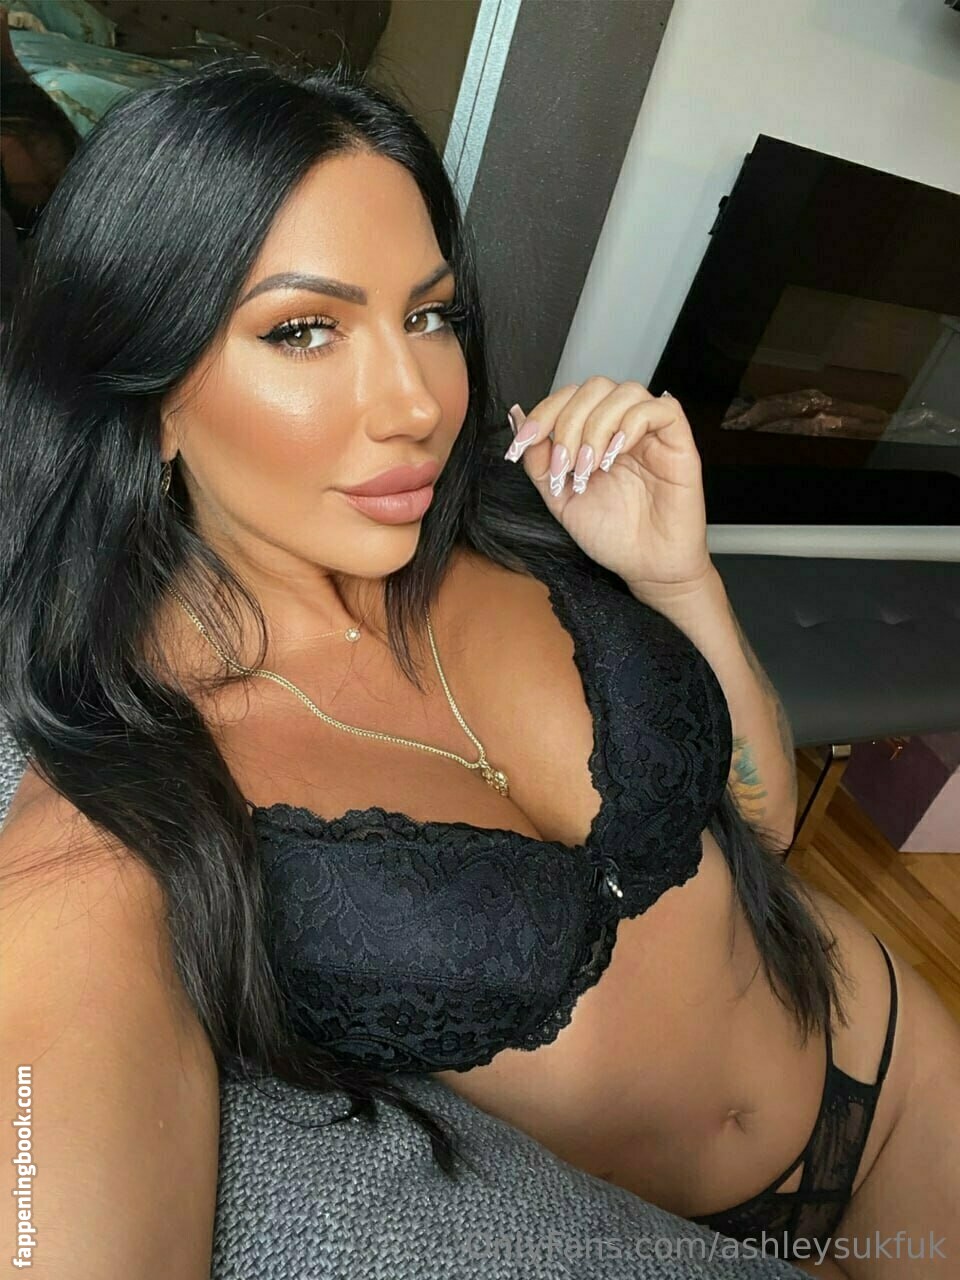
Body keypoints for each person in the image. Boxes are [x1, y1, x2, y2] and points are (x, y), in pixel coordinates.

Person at [0, 54, 957, 1280]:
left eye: (429, 315)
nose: (416, 404)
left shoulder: (513, 525)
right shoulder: (120, 798)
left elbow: (759, 826)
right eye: (303, 329)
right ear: (147, 393)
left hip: (896, 1050)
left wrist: (677, 580)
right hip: (713, 1226)